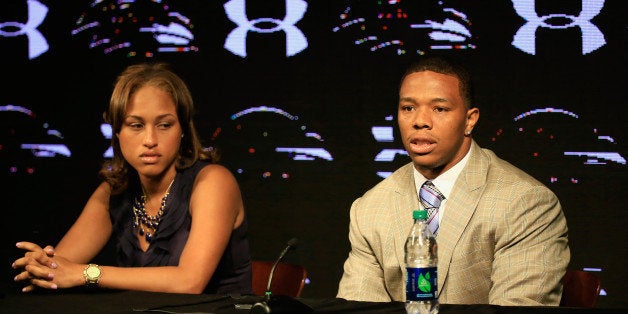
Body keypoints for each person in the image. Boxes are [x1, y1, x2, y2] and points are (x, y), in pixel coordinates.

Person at [336, 56, 570, 305]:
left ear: (470, 119)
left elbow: (517, 309)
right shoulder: (369, 207)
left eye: (439, 109)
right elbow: (358, 307)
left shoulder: (525, 202)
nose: (420, 121)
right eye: (408, 108)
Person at [12, 63, 253, 295]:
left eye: (165, 124)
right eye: (136, 125)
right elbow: (61, 268)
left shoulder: (213, 182)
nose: (150, 139)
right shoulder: (114, 191)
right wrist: (41, 265)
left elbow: (189, 282)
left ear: (182, 130)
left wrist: (87, 273)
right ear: (117, 132)